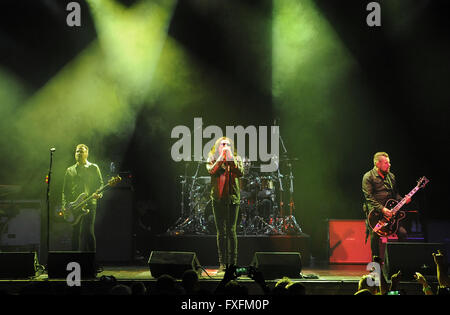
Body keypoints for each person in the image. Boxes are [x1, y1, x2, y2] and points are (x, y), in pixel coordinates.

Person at [362, 152, 411, 258]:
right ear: (377, 164)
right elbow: (369, 197)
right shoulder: (368, 177)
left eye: (389, 162)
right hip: (375, 214)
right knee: (375, 236)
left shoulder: (391, 176)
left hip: (391, 213)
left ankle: (401, 260)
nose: (389, 165)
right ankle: (376, 265)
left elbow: (395, 194)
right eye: (386, 163)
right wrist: (382, 209)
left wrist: (403, 200)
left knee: (403, 233)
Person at [206, 137, 244, 274]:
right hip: (217, 199)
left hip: (233, 198)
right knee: (221, 232)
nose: (226, 146)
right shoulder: (212, 157)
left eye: (228, 144)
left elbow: (240, 172)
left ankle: (232, 264)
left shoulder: (236, 158)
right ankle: (222, 264)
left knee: (231, 231)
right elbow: (211, 170)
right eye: (223, 144)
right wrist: (221, 159)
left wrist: (230, 160)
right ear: (217, 146)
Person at [62, 144, 103, 252]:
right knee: (75, 232)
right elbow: (65, 191)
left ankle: (91, 260)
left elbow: (100, 184)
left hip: (90, 203)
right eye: (77, 151)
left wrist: (99, 194)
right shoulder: (70, 170)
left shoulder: (93, 167)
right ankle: (74, 259)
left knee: (88, 231)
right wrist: (65, 205)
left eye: (81, 151)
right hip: (74, 205)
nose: (79, 153)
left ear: (87, 153)